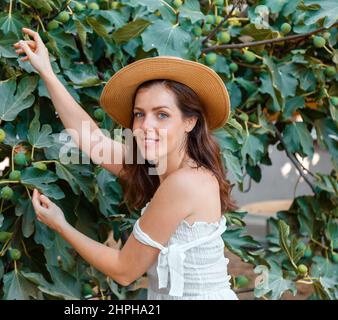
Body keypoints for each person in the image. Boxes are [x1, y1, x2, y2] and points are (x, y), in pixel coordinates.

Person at [14, 27, 239, 300]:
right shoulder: (159, 167)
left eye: (162, 115)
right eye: (139, 114)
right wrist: (47, 72)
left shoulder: (185, 182)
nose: (146, 126)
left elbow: (124, 270)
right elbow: (92, 140)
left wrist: (61, 224)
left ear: (190, 122)